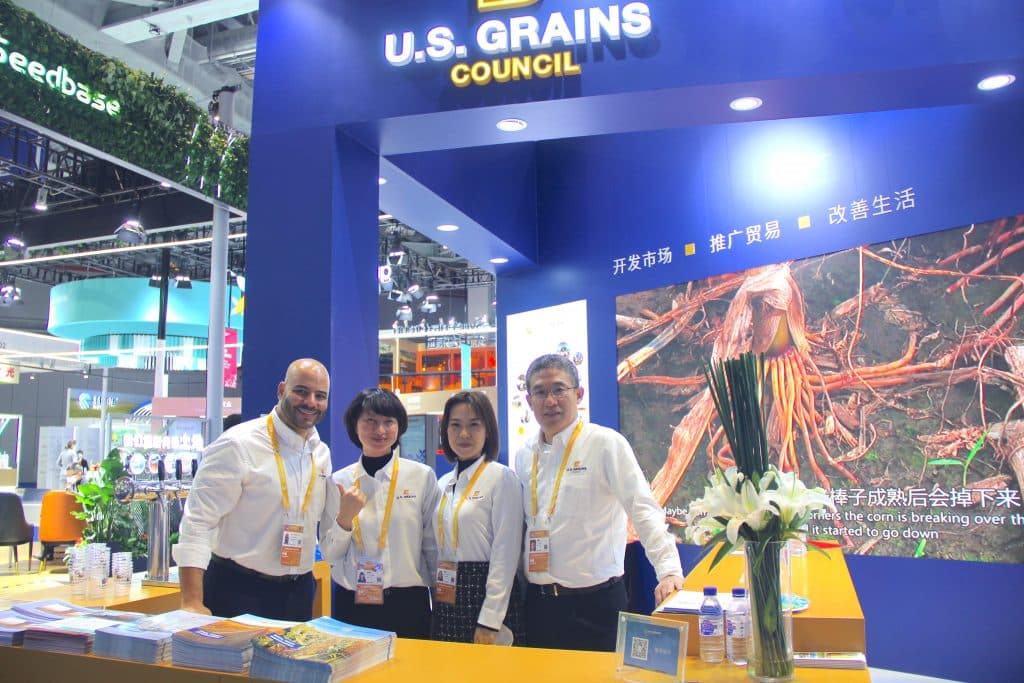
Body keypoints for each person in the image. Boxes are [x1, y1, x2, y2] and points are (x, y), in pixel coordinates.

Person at [514, 353, 685, 652]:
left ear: (578, 394)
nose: (550, 400)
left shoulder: (605, 444)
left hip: (596, 605)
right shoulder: (525, 454)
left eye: (558, 389)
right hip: (540, 606)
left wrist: (669, 570)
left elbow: (642, 508)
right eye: (540, 392)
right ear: (529, 401)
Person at [172, 358, 332, 621]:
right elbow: (198, 522)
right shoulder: (238, 445)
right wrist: (191, 601)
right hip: (239, 590)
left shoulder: (320, 453)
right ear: (281, 390)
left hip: (299, 591)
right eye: (301, 391)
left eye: (320, 396)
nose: (311, 402)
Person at [320, 387, 439, 639]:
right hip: (353, 603)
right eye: (370, 421)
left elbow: (432, 546)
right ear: (355, 425)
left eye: (388, 422)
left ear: (399, 427)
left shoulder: (421, 477)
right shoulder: (338, 482)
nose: (380, 430)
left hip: (408, 603)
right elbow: (330, 553)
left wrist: (440, 601)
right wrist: (344, 519)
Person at [430, 391, 524, 645]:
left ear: (488, 430)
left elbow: (506, 553)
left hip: (486, 595)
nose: (464, 434)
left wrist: (490, 618)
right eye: (456, 425)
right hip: (447, 596)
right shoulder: (442, 484)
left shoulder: (502, 479)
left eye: (474, 425)